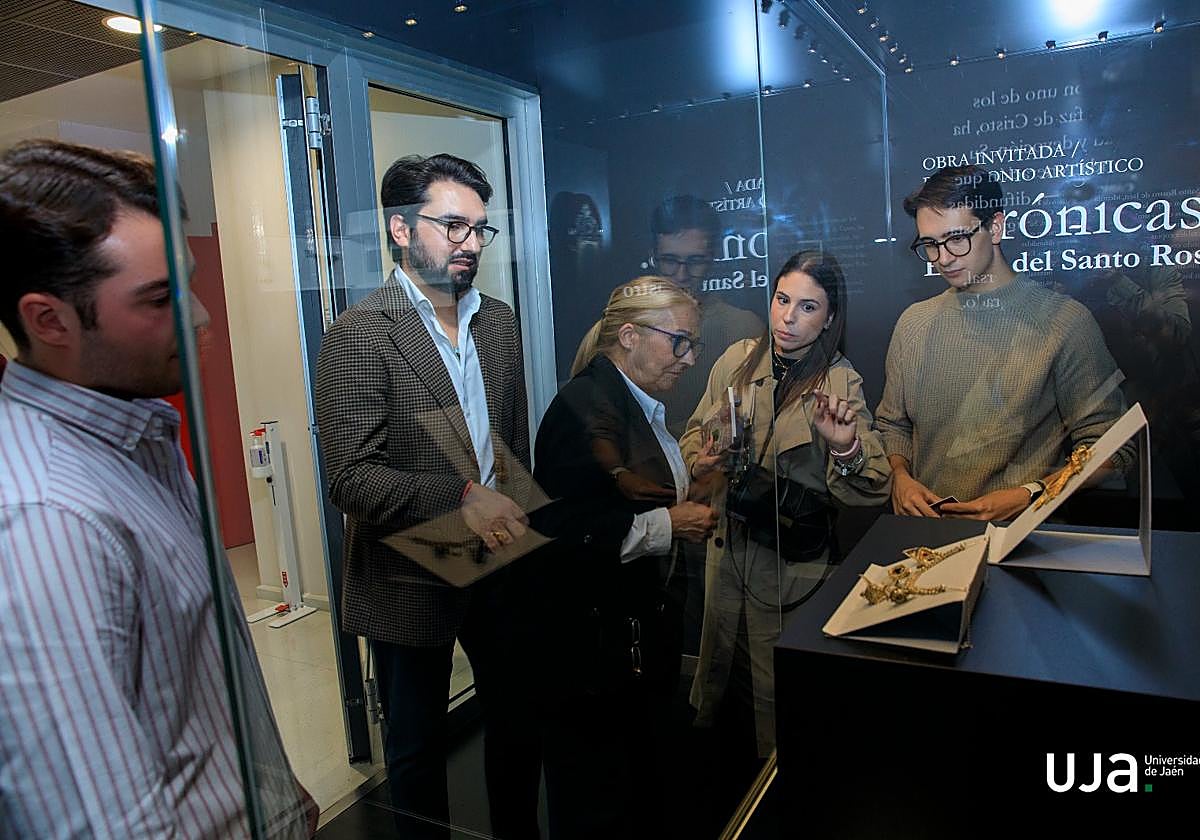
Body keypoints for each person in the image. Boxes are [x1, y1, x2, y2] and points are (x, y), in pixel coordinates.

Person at [0, 139, 314, 837]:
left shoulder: (138, 435)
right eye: (159, 297)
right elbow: (98, 822)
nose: (199, 316)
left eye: (187, 282)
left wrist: (267, 789)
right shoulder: (45, 517)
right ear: (49, 320)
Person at [314, 153, 538, 839]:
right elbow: (351, 476)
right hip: (407, 571)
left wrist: (517, 517)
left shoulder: (497, 322)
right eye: (452, 225)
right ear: (401, 229)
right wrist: (464, 495)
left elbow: (510, 442)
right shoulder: (359, 336)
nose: (471, 242)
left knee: (518, 724)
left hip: (498, 560)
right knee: (416, 755)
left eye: (479, 228)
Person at [514, 277, 718, 839]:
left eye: (693, 343)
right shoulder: (584, 409)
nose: (689, 358)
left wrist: (691, 479)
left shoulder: (628, 400)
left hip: (628, 643)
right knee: (598, 800)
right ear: (629, 336)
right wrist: (670, 524)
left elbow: (618, 496)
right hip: (591, 658)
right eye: (680, 342)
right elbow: (560, 529)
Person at [680, 250, 890, 762]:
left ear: (830, 319)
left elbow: (873, 487)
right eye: (782, 299)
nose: (788, 317)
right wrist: (702, 459)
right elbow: (691, 437)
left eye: (808, 307)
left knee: (779, 703)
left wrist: (845, 447)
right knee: (716, 695)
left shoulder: (840, 382)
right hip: (726, 557)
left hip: (789, 569)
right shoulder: (737, 360)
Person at [876, 165, 1132, 520]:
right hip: (928, 537)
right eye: (930, 244)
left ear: (995, 227)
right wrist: (901, 477)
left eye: (956, 239)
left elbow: (1113, 447)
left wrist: (1032, 494)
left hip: (1023, 535)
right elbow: (894, 425)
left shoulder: (1065, 322)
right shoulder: (913, 324)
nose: (943, 258)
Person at [573, 195, 765, 436]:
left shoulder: (742, 327)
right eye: (670, 260)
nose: (682, 274)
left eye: (695, 261)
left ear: (712, 257)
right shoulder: (628, 325)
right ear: (653, 255)